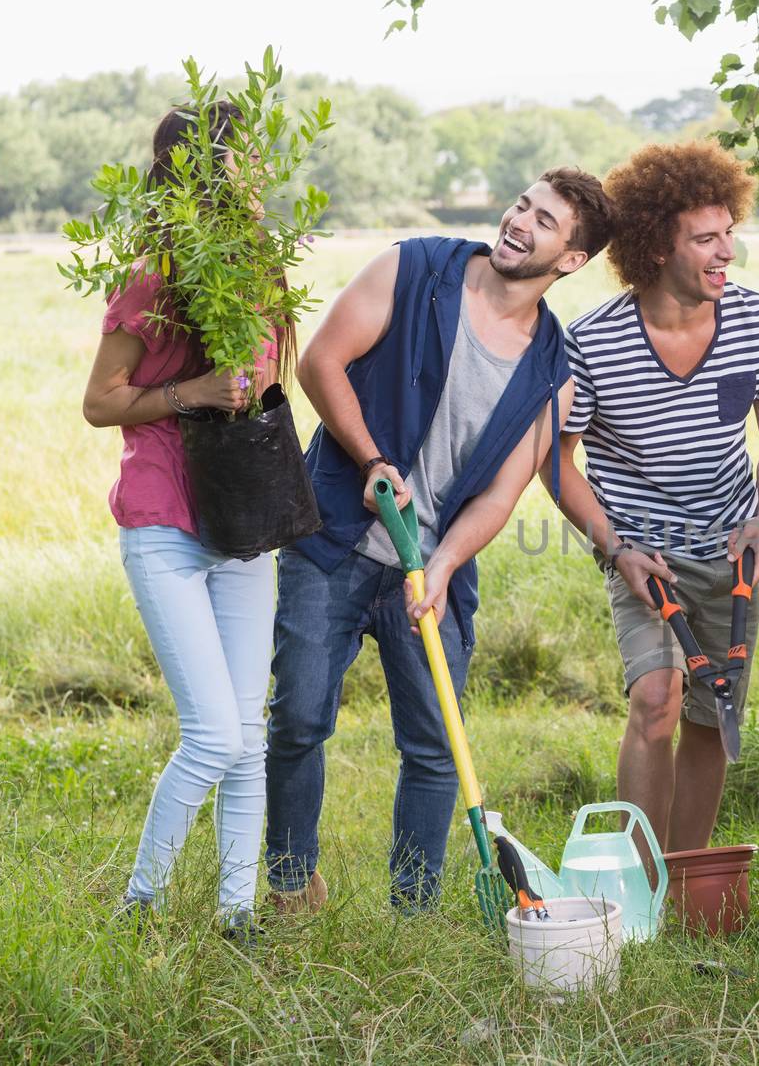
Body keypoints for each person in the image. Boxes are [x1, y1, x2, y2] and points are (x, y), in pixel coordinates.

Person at [263, 168, 615, 914]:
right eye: (523, 204)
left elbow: (500, 493)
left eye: (545, 222)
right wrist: (371, 459)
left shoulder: (555, 372)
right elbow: (319, 362)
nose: (520, 221)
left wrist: (448, 563)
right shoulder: (414, 267)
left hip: (431, 569)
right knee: (297, 716)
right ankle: (292, 880)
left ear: (572, 259)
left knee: (433, 748)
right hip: (335, 537)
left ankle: (412, 908)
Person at [552, 141, 759, 852]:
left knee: (711, 713)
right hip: (642, 554)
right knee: (656, 700)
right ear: (657, 245)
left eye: (730, 233)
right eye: (706, 239)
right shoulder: (592, 343)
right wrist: (619, 547)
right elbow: (558, 464)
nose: (728, 252)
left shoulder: (757, 321)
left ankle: (687, 876)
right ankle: (640, 881)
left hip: (731, 551)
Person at [83, 102, 280, 942]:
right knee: (211, 734)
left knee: (250, 733)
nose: (256, 173)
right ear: (204, 172)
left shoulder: (259, 275)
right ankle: (141, 901)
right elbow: (99, 403)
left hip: (241, 520)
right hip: (165, 520)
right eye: (242, 160)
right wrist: (194, 392)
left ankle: (238, 914)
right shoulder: (151, 277)